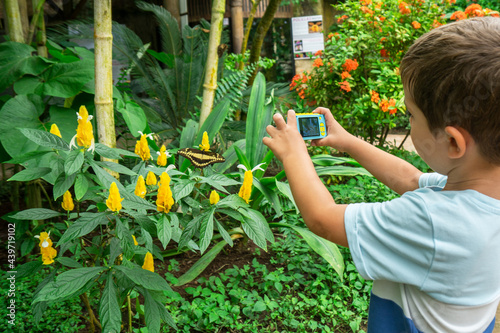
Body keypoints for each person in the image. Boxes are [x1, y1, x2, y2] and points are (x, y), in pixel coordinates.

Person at [263, 17, 500, 332]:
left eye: (410, 115)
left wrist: (293, 153)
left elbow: (322, 217)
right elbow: (411, 180)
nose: (408, 120)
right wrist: (348, 141)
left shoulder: (435, 224)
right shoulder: (478, 193)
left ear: (454, 142)